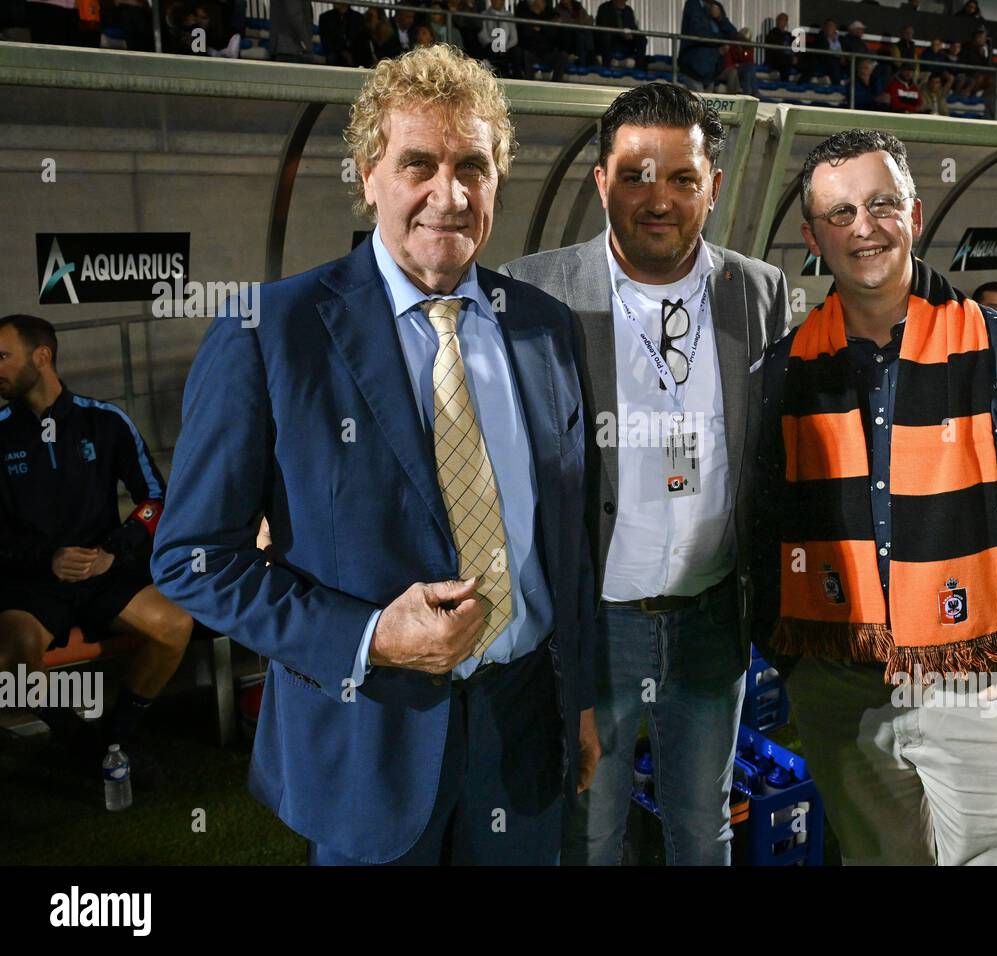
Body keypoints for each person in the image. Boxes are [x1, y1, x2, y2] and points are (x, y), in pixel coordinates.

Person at [151, 45, 599, 866]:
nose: (449, 194)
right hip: (368, 741)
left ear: (499, 178)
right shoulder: (269, 332)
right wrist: (369, 638)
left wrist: (582, 703)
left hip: (523, 734)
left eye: (474, 165)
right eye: (418, 163)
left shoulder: (544, 327)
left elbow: (571, 546)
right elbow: (193, 561)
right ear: (367, 175)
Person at [752, 128, 997, 865]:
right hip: (842, 694)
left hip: (979, 687)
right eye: (842, 213)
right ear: (812, 236)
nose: (865, 227)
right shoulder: (785, 369)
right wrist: (794, 665)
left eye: (883, 204)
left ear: (915, 215)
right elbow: (760, 530)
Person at [501, 83, 791, 866]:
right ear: (601, 181)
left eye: (681, 178)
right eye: (634, 175)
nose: (656, 199)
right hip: (594, 626)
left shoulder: (759, 293)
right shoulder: (533, 290)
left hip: (710, 621)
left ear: (714, 188)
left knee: (704, 827)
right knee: (591, 830)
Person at [0, 315, 192, 789]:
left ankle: (117, 739)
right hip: (32, 581)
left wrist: (112, 552)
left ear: (41, 357)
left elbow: (156, 500)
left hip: (104, 569)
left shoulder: (104, 421)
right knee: (11, 658)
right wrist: (45, 558)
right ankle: (79, 744)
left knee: (175, 624)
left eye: (3, 356)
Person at [679, 0, 739, 91]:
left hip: (711, 71)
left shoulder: (716, 7)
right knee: (698, 103)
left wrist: (720, 18)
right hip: (694, 69)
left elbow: (733, 34)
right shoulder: (693, 4)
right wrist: (722, 41)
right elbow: (698, 32)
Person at [517, 0, 568, 82]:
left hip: (547, 52)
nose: (544, 2)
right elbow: (527, 33)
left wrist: (540, 28)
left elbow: (553, 33)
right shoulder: (526, 15)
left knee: (563, 55)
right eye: (542, 1)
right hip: (532, 52)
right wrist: (545, 29)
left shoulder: (549, 14)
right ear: (535, 2)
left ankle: (556, 83)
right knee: (525, 54)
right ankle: (529, 83)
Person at [595, 0, 647, 71]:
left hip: (625, 41)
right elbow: (603, 26)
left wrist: (631, 34)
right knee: (606, 36)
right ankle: (606, 66)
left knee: (642, 39)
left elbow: (633, 27)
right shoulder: (604, 8)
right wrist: (621, 33)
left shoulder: (628, 10)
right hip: (610, 39)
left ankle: (639, 67)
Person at [478, 0, 523, 78]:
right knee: (490, 51)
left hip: (507, 48)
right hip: (490, 46)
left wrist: (505, 47)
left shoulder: (509, 15)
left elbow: (514, 38)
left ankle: (518, 77)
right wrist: (495, 45)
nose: (498, 2)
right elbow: (482, 35)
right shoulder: (484, 15)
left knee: (516, 52)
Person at [320, 3, 368, 67]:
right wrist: (343, 52)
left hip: (355, 59)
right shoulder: (325, 17)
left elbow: (361, 43)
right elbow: (326, 43)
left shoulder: (359, 18)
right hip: (334, 60)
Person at [810, 18, 848, 86]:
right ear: (824, 28)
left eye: (832, 26)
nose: (830, 28)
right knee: (832, 60)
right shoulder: (821, 37)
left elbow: (845, 49)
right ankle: (837, 84)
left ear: (835, 28)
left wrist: (843, 56)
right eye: (828, 26)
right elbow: (823, 50)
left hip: (841, 59)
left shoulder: (840, 38)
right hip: (827, 59)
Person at [763, 12, 796, 81]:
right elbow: (774, 50)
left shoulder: (789, 35)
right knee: (784, 63)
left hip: (788, 60)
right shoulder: (772, 33)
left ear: (786, 22)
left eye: (783, 20)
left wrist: (796, 56)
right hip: (777, 60)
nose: (781, 22)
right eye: (780, 20)